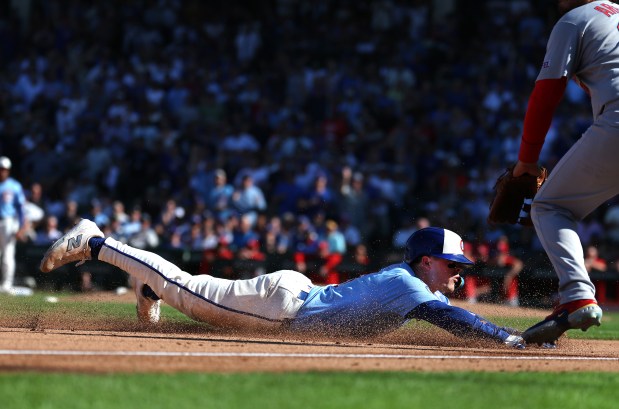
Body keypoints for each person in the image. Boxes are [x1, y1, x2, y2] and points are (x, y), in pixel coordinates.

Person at [39, 219, 526, 348]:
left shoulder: (409, 282)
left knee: (189, 290)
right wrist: (506, 337)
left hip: (290, 298)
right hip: (285, 309)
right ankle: (97, 241)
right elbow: (451, 318)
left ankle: (150, 286)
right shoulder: (412, 287)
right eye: (450, 262)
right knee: (186, 290)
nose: (459, 271)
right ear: (425, 262)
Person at [511, 0, 614, 344]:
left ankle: (577, 297)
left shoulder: (575, 20)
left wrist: (526, 159)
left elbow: (546, 93)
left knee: (551, 207)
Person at [0, 156, 30, 295]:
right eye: (1, 169)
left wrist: (22, 226)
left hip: (8, 221)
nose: (2, 171)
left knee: (8, 254)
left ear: (8, 170)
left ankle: (6, 284)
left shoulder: (14, 186)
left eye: (4, 169)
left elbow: (20, 208)